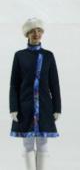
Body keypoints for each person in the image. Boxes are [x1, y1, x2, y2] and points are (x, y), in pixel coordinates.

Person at [10, 18, 61, 170]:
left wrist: (57, 107)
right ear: (27, 34)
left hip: (45, 106)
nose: (36, 34)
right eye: (32, 31)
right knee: (27, 144)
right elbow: (14, 84)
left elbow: (54, 84)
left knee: (43, 144)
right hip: (25, 106)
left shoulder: (48, 55)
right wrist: (13, 107)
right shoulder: (19, 56)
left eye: (39, 31)